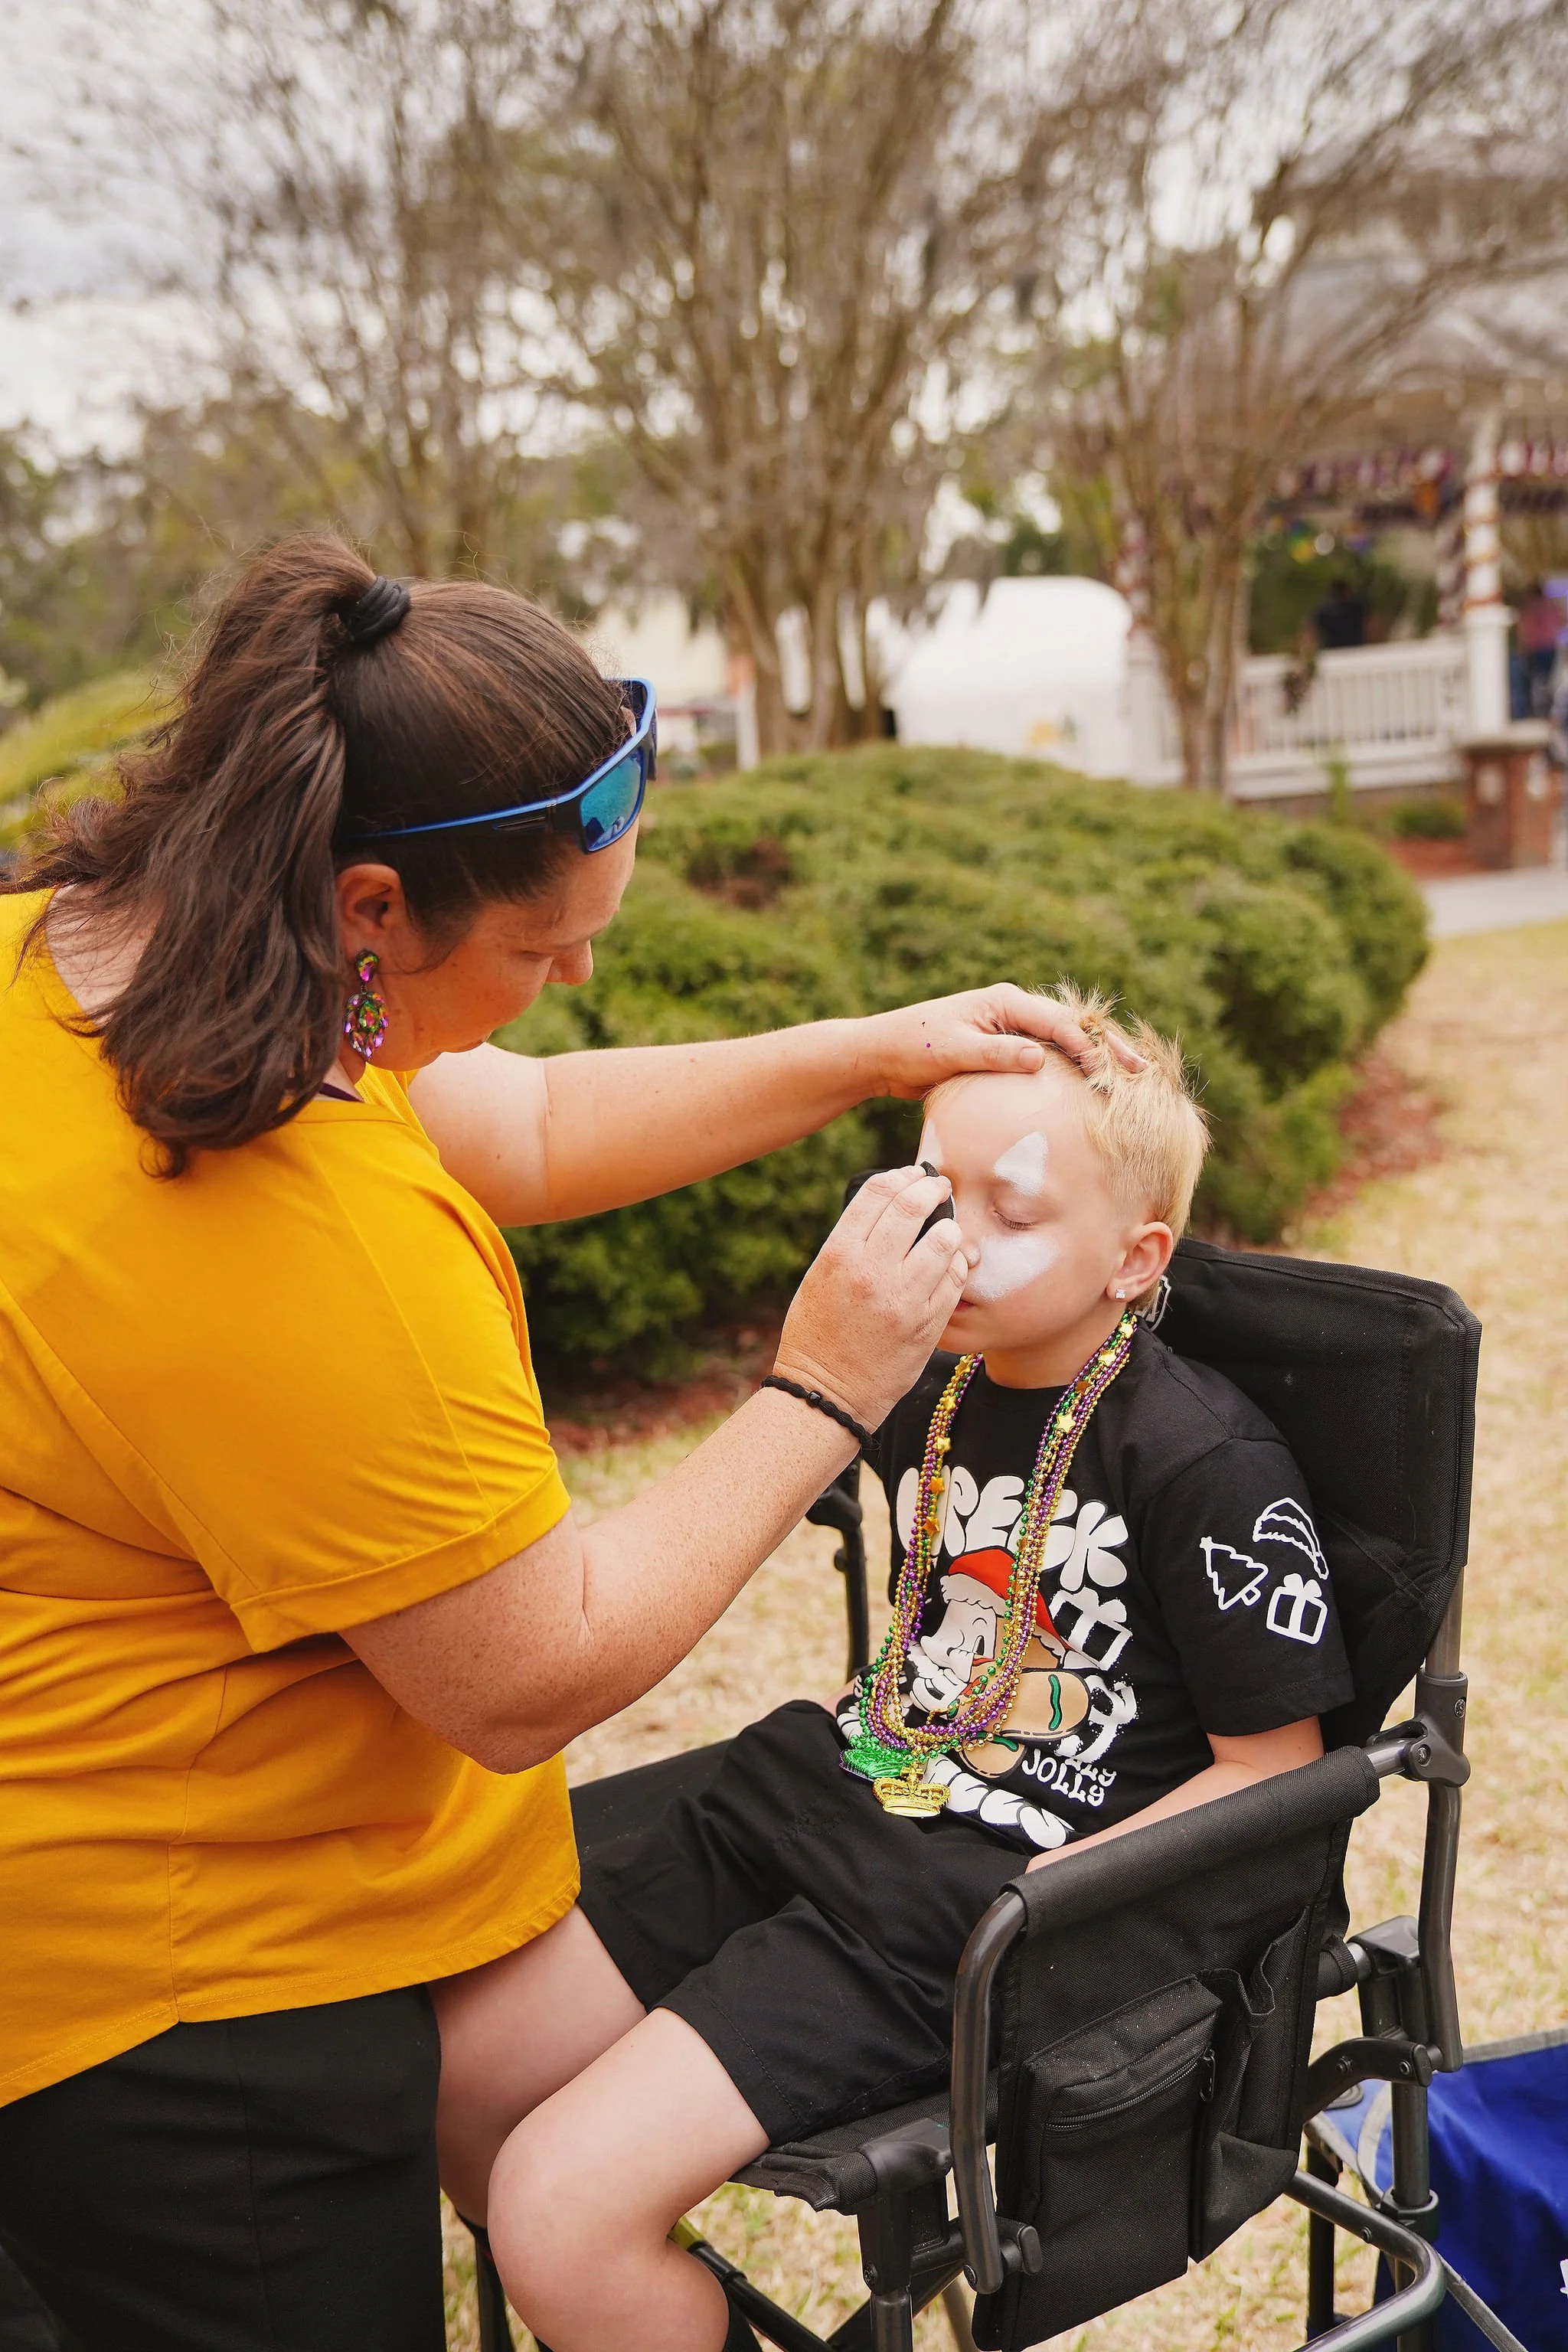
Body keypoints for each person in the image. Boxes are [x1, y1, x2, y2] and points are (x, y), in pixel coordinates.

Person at [0, 534, 1118, 2352]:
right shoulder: (289, 1230)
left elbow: (504, 1118)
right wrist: (823, 1389)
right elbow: (519, 1670)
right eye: (543, 943)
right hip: (179, 2009)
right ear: (371, 905)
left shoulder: (92, 962)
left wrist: (864, 1047)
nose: (575, 977)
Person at [462, 992, 1355, 2352]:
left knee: (554, 2206)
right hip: (832, 1789)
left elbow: (1275, 1773)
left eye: (1014, 1212)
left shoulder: (1204, 1465)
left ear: (1134, 1259)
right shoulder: (924, 1386)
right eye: (937, 1193)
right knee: (461, 2073)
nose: (956, 1240)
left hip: (971, 1892)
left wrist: (1040, 1904)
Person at [1313, 577, 1367, 652]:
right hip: (1354, 649)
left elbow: (1315, 630)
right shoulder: (1356, 607)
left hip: (1333, 649)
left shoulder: (1323, 610)